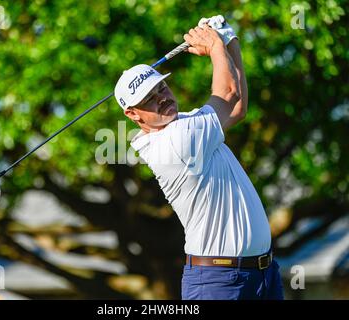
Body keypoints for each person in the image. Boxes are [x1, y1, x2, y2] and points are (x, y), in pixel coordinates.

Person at [114, 16, 284, 300]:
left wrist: (229, 42)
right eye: (149, 99)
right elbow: (228, 93)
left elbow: (237, 107)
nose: (163, 98)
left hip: (261, 275)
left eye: (162, 88)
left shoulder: (189, 122)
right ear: (132, 114)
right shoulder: (177, 140)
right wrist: (216, 45)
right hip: (219, 283)